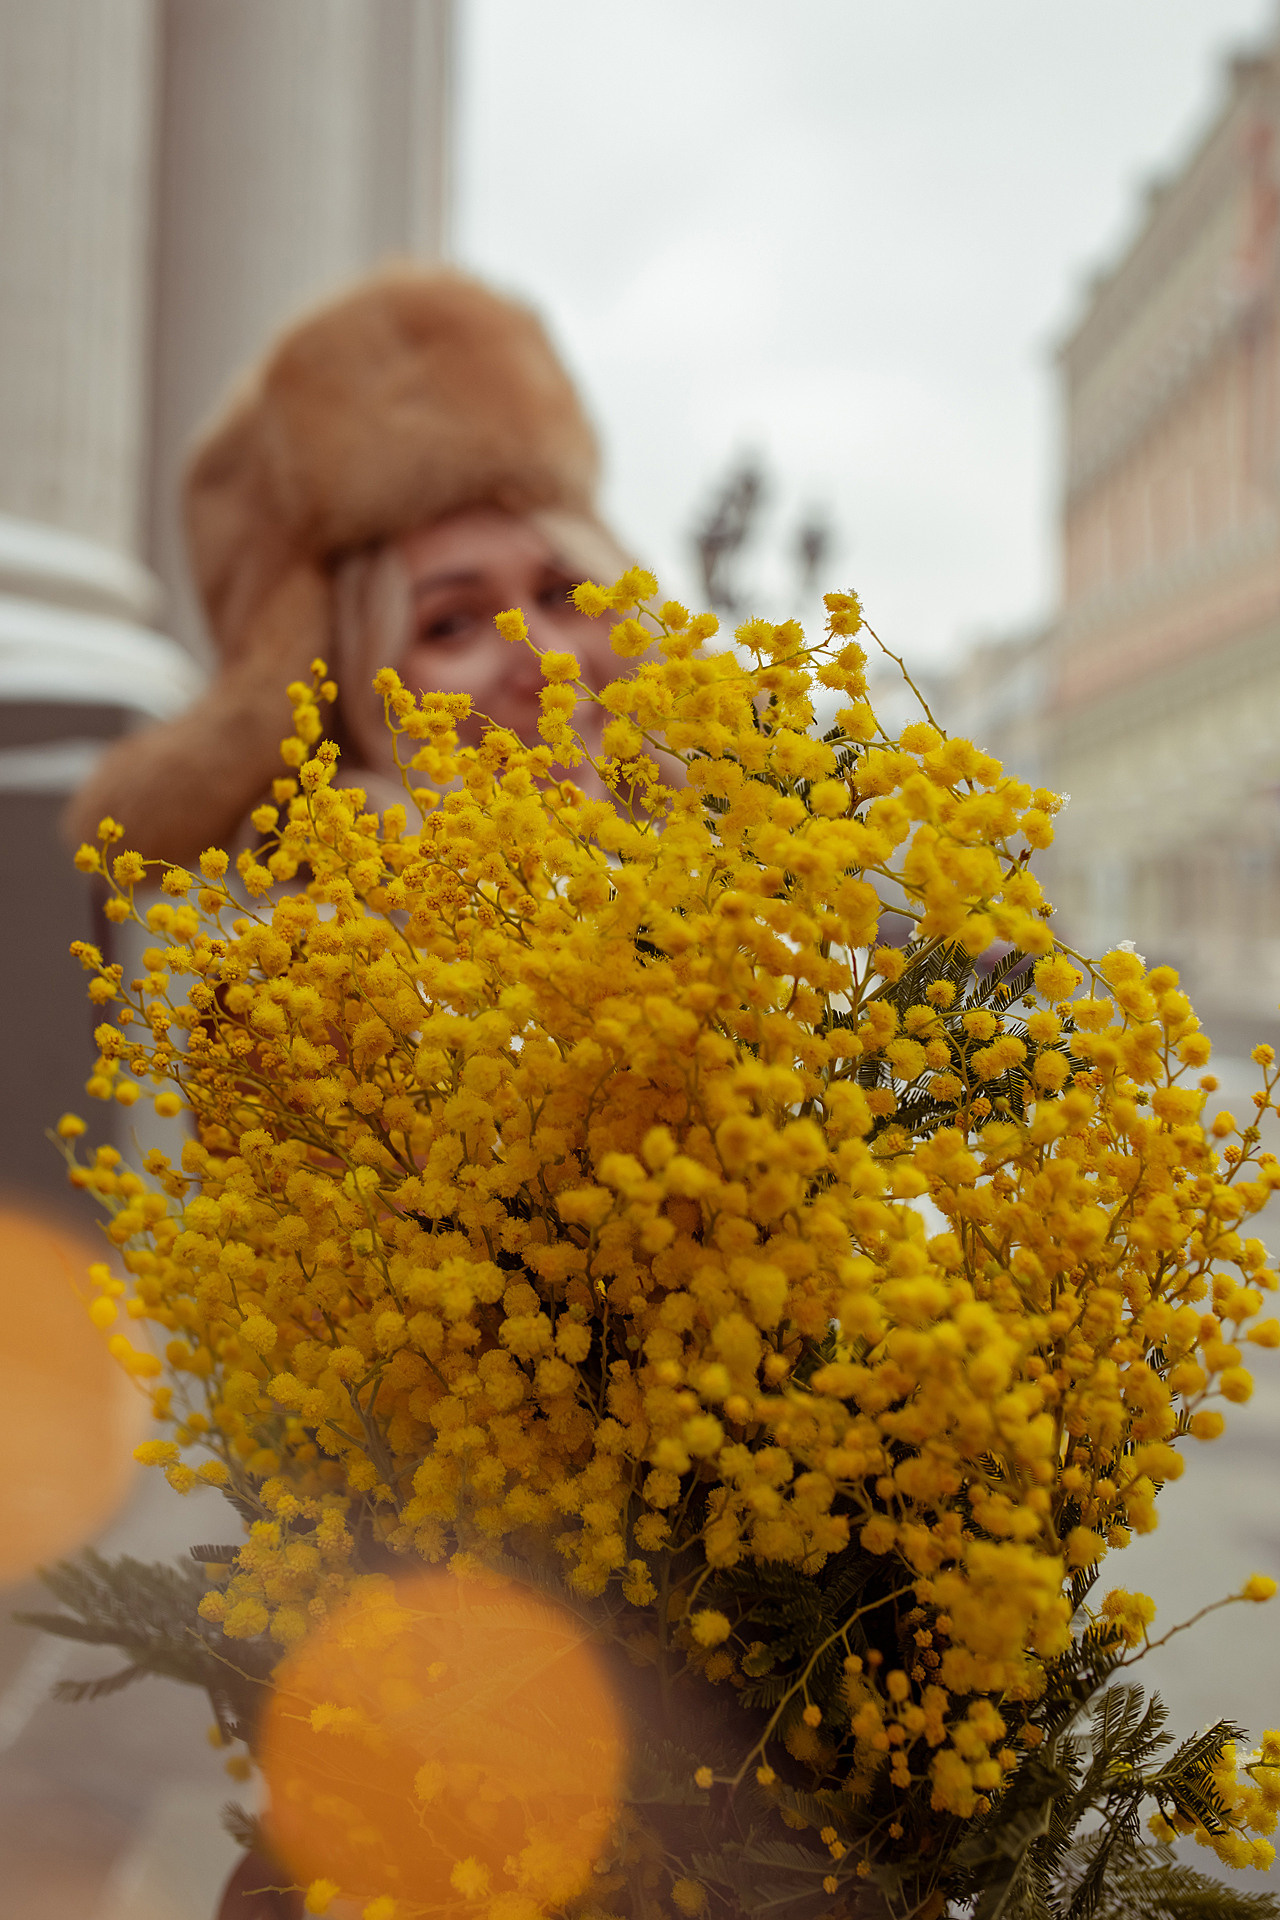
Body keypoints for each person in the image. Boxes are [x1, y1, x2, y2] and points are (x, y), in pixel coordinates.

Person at [65, 268, 630, 864]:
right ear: (338, 696)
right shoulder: (322, 945)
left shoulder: (715, 888)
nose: (550, 662)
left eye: (563, 594)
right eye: (451, 625)